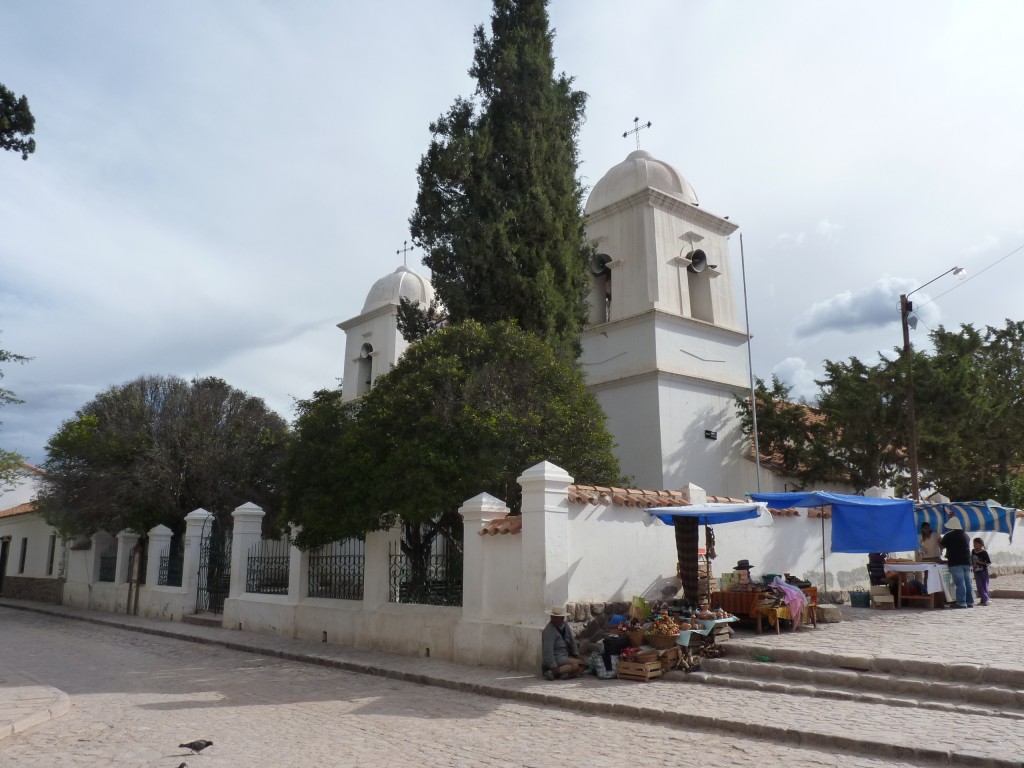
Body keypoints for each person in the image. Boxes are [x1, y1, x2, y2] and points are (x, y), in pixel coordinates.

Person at [940, 518, 973, 608]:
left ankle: (961, 602)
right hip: (967, 561)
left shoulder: (949, 535)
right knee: (968, 582)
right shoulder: (966, 535)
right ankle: (970, 602)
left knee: (960, 583)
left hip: (955, 562)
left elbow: (941, 545)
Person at [541, 606, 582, 680]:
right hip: (558, 658)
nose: (556, 620)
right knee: (580, 665)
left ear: (562, 618)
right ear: (552, 617)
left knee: (583, 664)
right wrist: (553, 666)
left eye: (559, 618)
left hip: (565, 655)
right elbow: (548, 651)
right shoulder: (549, 631)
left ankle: (565, 675)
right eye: (554, 618)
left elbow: (572, 640)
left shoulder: (565, 625)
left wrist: (576, 653)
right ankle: (553, 672)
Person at [972, 537, 992, 606]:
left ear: (981, 545)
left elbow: (989, 563)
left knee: (985, 586)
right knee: (979, 586)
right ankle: (985, 599)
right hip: (976, 572)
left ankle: (985, 599)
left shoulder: (984, 553)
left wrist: (981, 563)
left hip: (983, 571)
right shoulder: (973, 551)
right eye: (974, 544)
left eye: (976, 544)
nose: (974, 545)